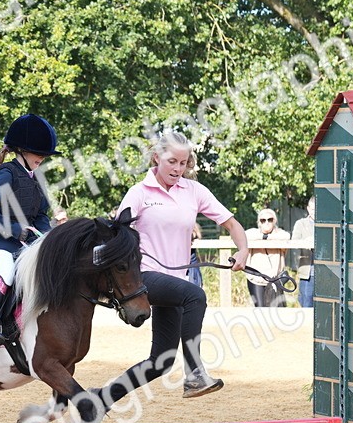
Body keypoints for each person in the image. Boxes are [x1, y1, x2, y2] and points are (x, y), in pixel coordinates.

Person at [105, 131, 249, 399]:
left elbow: (231, 224)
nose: (178, 169)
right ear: (156, 157)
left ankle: (102, 398)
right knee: (195, 295)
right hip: (144, 276)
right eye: (172, 161)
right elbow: (117, 234)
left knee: (161, 362)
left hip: (175, 282)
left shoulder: (194, 191)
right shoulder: (139, 193)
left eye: (183, 163)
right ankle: (195, 374)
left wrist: (243, 250)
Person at [0, 114, 59, 346]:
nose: (42, 158)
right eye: (38, 153)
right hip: (2, 241)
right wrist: (16, 230)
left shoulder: (38, 178)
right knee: (8, 272)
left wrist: (48, 237)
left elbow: (41, 215)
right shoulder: (6, 172)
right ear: (21, 150)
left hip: (27, 243)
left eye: (45, 154)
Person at [245, 207, 290, 307]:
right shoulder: (253, 233)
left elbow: (286, 236)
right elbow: (244, 235)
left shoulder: (280, 234)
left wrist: (267, 237)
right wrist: (263, 237)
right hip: (256, 279)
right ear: (259, 222)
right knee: (260, 309)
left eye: (270, 219)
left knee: (276, 310)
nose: (266, 222)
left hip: (274, 279)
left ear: (274, 221)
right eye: (263, 220)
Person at [290, 197, 315, 308]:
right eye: (313, 209)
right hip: (308, 272)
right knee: (306, 304)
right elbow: (294, 243)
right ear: (308, 209)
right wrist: (307, 242)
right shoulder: (300, 224)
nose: (315, 212)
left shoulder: (327, 225)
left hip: (325, 272)